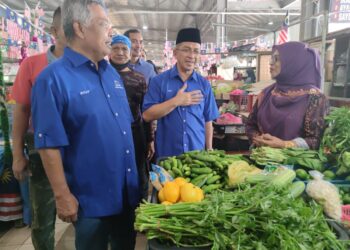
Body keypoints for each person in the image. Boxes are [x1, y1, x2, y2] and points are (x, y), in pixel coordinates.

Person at [31, 1, 139, 249]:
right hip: (90, 200)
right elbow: (48, 144)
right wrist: (62, 195)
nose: (110, 32)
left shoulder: (111, 74)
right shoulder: (53, 79)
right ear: (79, 29)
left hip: (125, 192)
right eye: (103, 25)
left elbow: (122, 128)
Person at [11, 7, 66, 249]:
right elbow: (21, 111)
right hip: (41, 146)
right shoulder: (32, 65)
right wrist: (17, 154)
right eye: (69, 25)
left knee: (86, 213)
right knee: (43, 213)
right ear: (54, 31)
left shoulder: (89, 65)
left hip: (79, 146)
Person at [142, 28, 219, 158]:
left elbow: (207, 120)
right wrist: (176, 101)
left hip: (197, 158)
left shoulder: (204, 85)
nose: (191, 55)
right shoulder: (159, 81)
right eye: (186, 49)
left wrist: (209, 149)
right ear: (175, 52)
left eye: (196, 51)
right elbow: (147, 115)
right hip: (168, 157)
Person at [246, 41, 328, 150]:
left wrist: (284, 145)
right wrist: (259, 140)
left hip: (297, 165)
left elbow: (316, 140)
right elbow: (250, 125)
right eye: (272, 58)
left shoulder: (314, 97)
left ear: (294, 62)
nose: (270, 63)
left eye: (276, 59)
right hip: (262, 161)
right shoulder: (266, 93)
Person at [109, 34, 154, 200]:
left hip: (136, 134)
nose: (120, 52)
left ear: (130, 52)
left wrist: (150, 139)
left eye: (124, 49)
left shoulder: (139, 78)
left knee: (139, 174)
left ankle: (138, 211)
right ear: (109, 51)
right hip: (110, 135)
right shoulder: (102, 76)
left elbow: (145, 112)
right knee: (115, 173)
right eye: (115, 48)